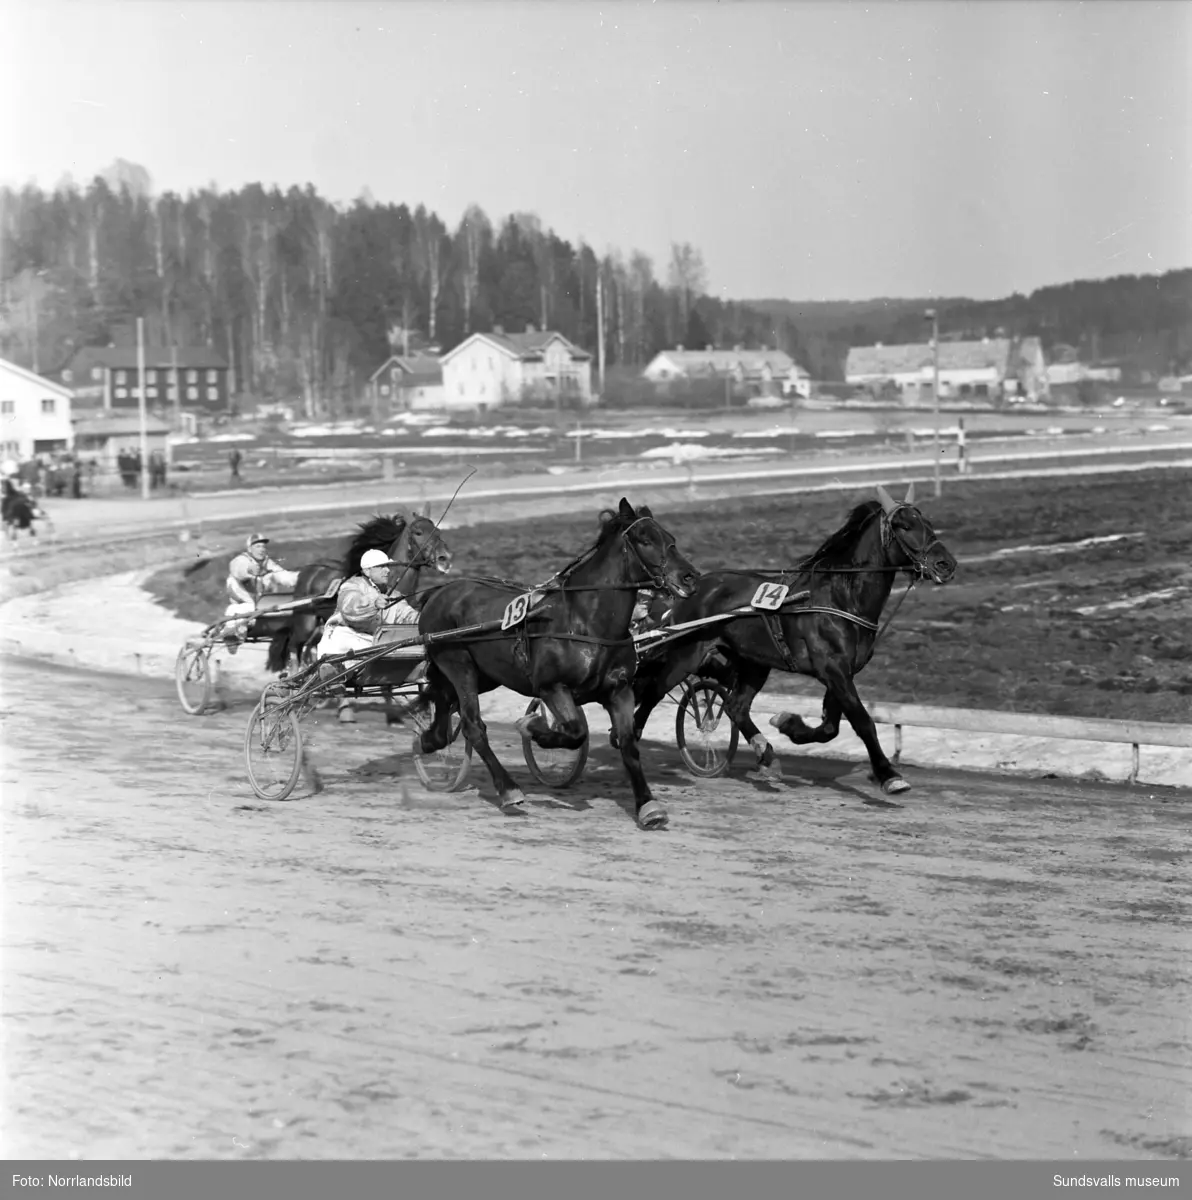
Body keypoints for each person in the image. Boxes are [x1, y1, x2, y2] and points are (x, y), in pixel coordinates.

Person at [222, 532, 301, 651]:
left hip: (260, 603)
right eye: (257, 546)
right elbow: (238, 570)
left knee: (276, 579)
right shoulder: (241, 560)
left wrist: (301, 577)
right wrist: (249, 570)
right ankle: (231, 634)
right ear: (249, 549)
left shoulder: (268, 563)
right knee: (245, 609)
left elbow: (283, 575)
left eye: (263, 547)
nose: (262, 549)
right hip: (242, 601)